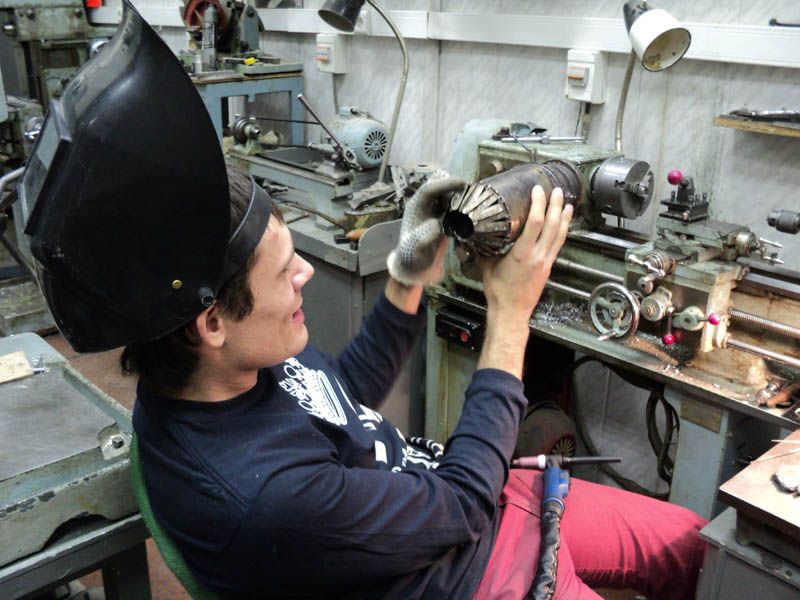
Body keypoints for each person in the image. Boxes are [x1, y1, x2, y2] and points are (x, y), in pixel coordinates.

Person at [20, 3, 707, 599]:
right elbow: (462, 508)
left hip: (472, 497)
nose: (305, 275)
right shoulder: (263, 496)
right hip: (468, 569)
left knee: (694, 544)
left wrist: (406, 280)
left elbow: (337, 396)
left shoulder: (217, 373)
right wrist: (509, 318)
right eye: (284, 272)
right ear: (213, 321)